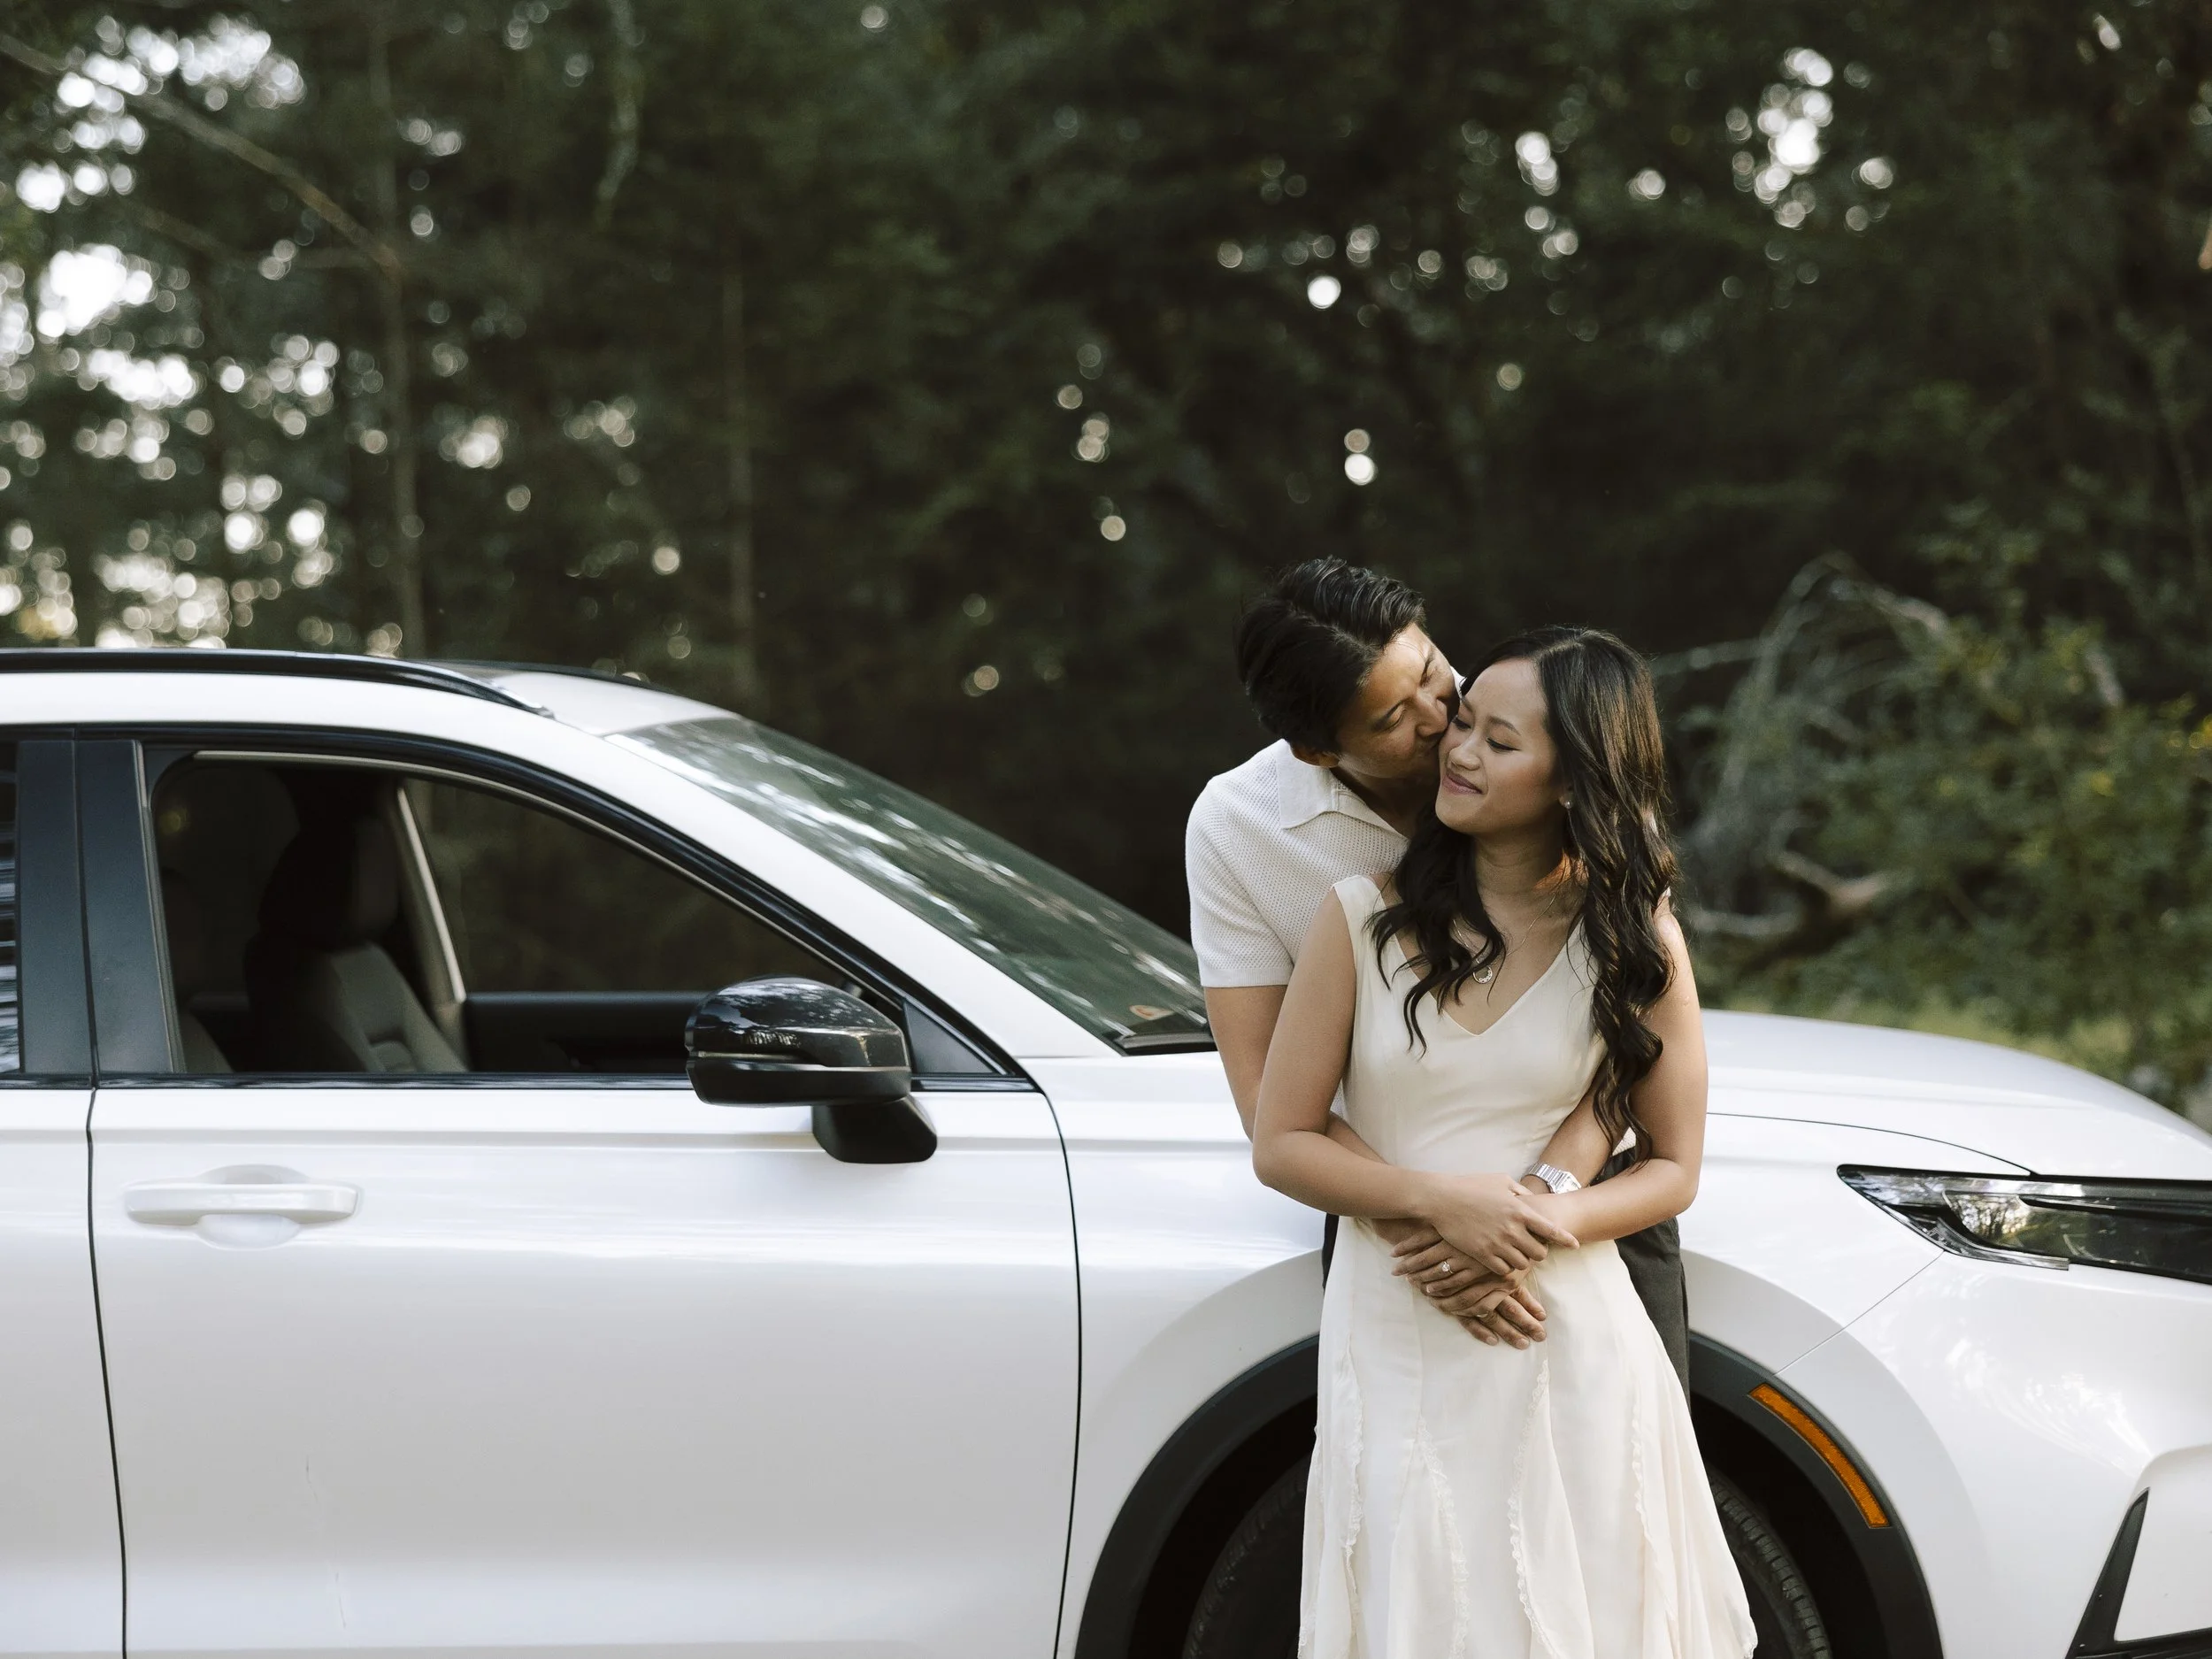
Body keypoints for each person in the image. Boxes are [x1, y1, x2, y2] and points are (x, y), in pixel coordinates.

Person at [1251, 626, 1753, 1657]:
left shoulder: (1634, 939)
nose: (1460, 751)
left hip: (1561, 1323)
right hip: (1400, 1315)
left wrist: (1531, 1227)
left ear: (1573, 779)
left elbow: (1672, 1166)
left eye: (1500, 741)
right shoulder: (1359, 918)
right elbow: (1282, 1141)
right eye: (1464, 723)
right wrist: (1441, 1206)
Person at [1186, 559, 1688, 1363]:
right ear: (1318, 750)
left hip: (1586, 1211)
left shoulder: (1541, 737)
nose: (1442, 716)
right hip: (1391, 1224)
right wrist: (1438, 1227)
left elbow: (1629, 1026)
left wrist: (1530, 1211)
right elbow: (1269, 1108)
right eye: (1394, 716)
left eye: (1431, 671)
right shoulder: (1239, 829)